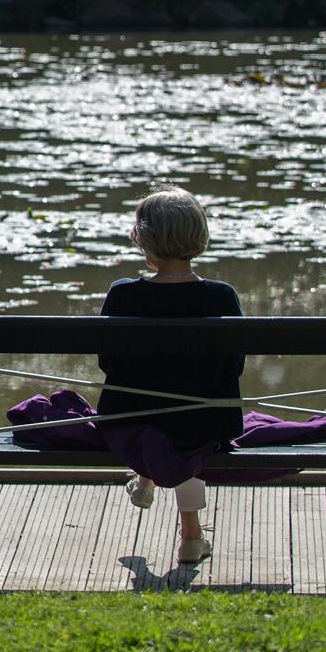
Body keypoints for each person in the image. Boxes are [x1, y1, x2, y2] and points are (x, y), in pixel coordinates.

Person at [97, 188, 241, 566]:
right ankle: (190, 536)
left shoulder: (123, 295)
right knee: (187, 420)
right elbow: (234, 367)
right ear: (199, 233)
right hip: (203, 424)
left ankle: (148, 478)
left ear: (145, 238)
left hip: (130, 422)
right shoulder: (222, 297)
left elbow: (107, 363)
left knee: (164, 419)